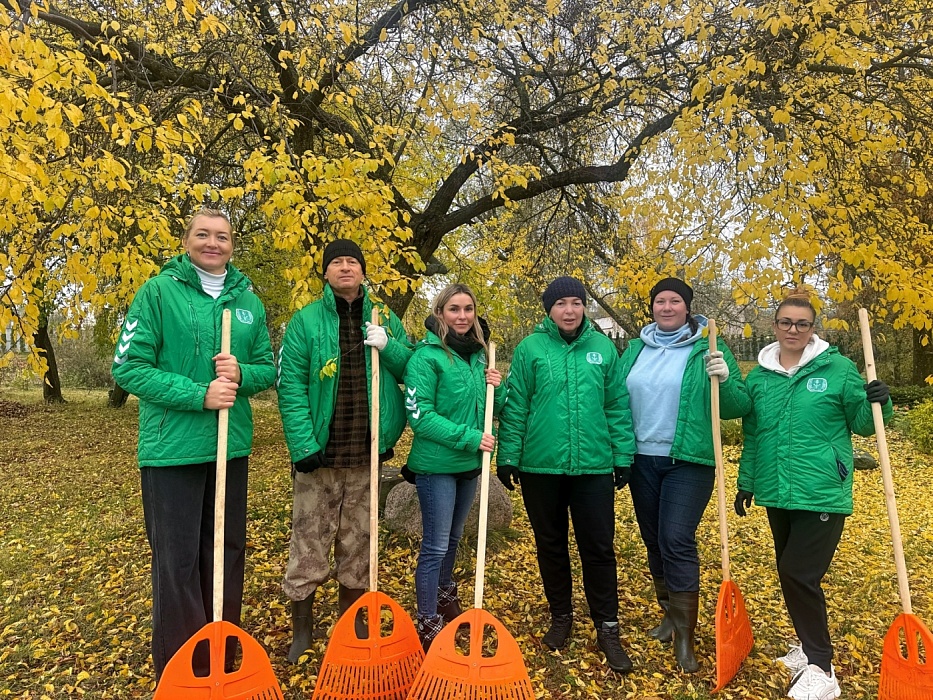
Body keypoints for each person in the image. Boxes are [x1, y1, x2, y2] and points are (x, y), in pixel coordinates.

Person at [111, 207, 276, 682]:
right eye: (202, 234)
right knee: (177, 561)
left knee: (224, 554)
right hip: (173, 451)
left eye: (222, 236)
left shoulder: (247, 301)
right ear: (187, 241)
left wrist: (243, 374)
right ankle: (182, 668)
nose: (213, 243)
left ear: (231, 245)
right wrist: (199, 394)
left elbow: (268, 367)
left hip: (230, 448)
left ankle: (221, 659)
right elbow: (128, 368)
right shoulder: (158, 293)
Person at [735, 289, 891, 700]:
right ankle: (807, 648)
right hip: (775, 489)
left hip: (821, 489)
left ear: (812, 329)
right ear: (775, 325)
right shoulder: (761, 377)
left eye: (801, 323)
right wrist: (747, 481)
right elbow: (754, 434)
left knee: (798, 573)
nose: (793, 329)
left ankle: (822, 667)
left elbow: (863, 422)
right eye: (785, 322)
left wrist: (881, 401)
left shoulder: (837, 369)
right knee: (789, 570)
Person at [277, 239, 413, 663]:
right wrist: (302, 445)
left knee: (360, 544)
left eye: (352, 261)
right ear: (325, 272)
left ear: (363, 270)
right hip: (319, 456)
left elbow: (413, 369)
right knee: (309, 544)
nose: (345, 268)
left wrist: (387, 344)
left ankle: (350, 628)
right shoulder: (305, 322)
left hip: (366, 453)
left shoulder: (384, 317)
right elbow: (292, 386)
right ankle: (302, 630)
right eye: (336, 262)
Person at [496, 276, 636, 673]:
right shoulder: (530, 349)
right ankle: (561, 617)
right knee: (551, 545)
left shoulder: (602, 348)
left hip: (592, 467)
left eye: (577, 303)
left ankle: (608, 625)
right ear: (549, 309)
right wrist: (509, 456)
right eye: (562, 304)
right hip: (541, 467)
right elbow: (518, 405)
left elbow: (616, 406)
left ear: (584, 307)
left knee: (598, 547)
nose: (570, 311)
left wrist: (622, 454)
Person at [619, 277, 750, 673]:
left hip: (689, 460)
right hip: (641, 458)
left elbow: (736, 406)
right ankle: (669, 615)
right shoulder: (634, 349)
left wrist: (725, 378)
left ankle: (685, 637)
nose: (667, 307)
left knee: (675, 538)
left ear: (687, 307)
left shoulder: (708, 347)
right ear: (652, 307)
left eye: (675, 301)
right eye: (660, 301)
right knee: (653, 540)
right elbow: (613, 396)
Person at [401, 284, 504, 650]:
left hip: (468, 465)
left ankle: (445, 597)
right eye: (454, 309)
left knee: (455, 539)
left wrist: (498, 386)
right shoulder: (425, 358)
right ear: (440, 313)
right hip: (437, 466)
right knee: (435, 545)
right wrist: (470, 437)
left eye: (468, 309)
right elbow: (420, 417)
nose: (462, 316)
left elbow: (489, 407)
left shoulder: (478, 356)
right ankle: (427, 620)